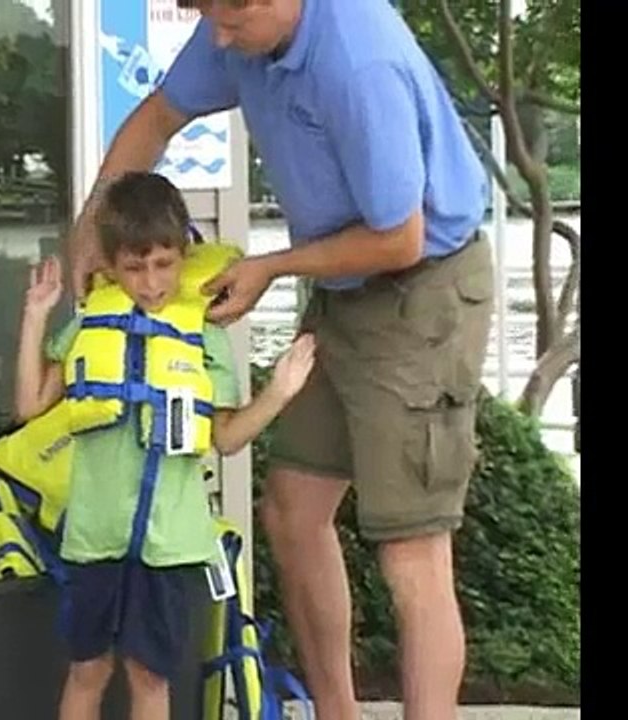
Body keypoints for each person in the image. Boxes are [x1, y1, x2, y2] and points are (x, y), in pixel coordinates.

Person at [65, 2, 495, 720]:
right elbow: (156, 118)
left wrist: (271, 266)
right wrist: (91, 225)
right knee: (293, 513)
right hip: (344, 288)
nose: (217, 38)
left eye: (231, 22)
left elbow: (400, 239)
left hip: (423, 291)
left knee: (411, 552)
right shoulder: (236, 27)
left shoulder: (359, 63)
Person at [17, 171, 315, 720]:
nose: (151, 283)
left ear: (183, 256)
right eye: (135, 267)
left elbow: (226, 438)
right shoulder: (90, 324)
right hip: (94, 538)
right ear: (111, 265)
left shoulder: (204, 337)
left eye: (163, 264)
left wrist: (279, 392)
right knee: (87, 671)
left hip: (170, 546)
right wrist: (36, 315)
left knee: (150, 676)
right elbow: (29, 404)